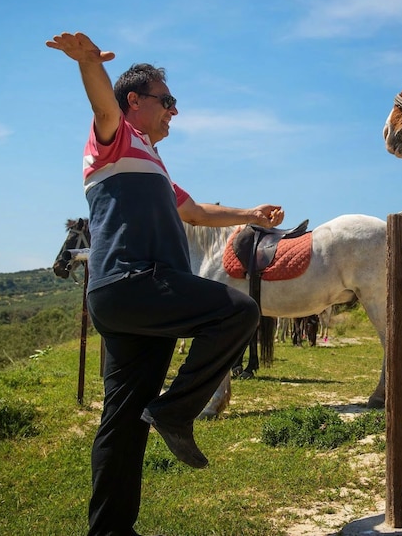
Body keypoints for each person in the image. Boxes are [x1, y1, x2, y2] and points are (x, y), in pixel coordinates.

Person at [47, 31, 285, 536]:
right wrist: (89, 64)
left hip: (125, 296)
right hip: (136, 282)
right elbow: (102, 105)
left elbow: (196, 211)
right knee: (239, 313)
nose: (174, 111)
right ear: (135, 101)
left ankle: (111, 530)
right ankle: (176, 412)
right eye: (167, 101)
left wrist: (252, 213)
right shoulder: (113, 137)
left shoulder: (153, 163)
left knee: (123, 420)